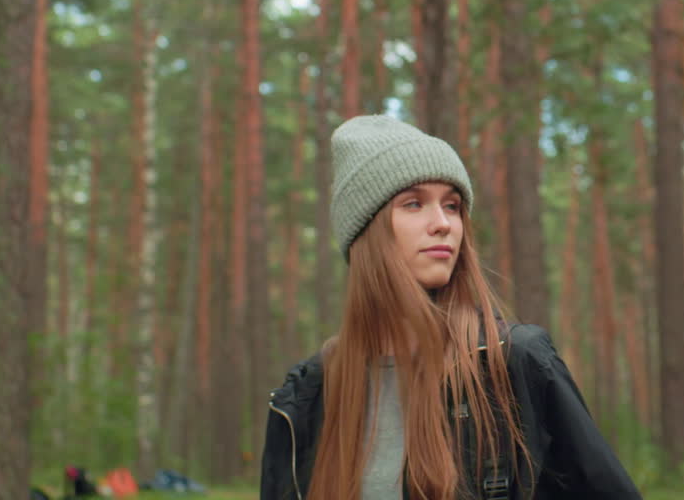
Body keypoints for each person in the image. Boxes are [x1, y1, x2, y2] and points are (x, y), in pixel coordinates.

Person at [260, 114, 641, 500]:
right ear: (366, 230)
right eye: (413, 204)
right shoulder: (309, 393)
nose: (443, 223)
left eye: (453, 205)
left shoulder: (511, 363)